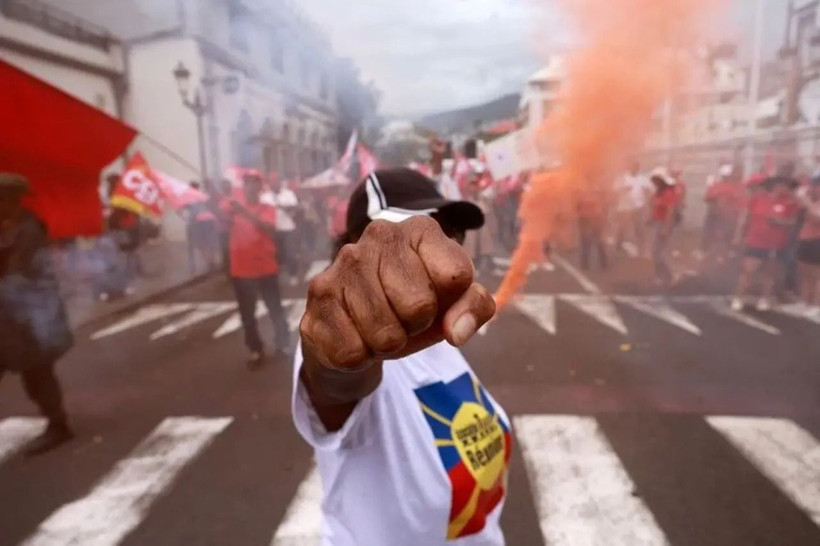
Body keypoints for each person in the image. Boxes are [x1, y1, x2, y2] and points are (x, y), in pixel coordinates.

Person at [293, 168, 508, 546]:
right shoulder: (357, 341)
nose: (446, 248)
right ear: (356, 248)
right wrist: (333, 350)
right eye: (413, 232)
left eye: (451, 233)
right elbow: (334, 378)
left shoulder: (439, 334)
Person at [0, 174, 74, 455]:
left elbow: (16, 277)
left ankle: (59, 426)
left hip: (30, 319)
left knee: (37, 375)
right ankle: (58, 423)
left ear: (8, 200)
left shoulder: (28, 230)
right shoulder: (8, 227)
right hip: (9, 318)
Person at [223, 173, 291, 368]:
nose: (250, 188)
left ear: (260, 189)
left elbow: (268, 229)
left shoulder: (267, 208)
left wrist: (243, 212)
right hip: (241, 270)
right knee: (247, 314)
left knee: (274, 307)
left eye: (254, 185)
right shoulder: (233, 210)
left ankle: (283, 342)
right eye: (247, 185)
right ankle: (255, 348)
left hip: (265, 267)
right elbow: (220, 222)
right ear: (243, 189)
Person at [731, 175, 800, 311]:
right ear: (774, 186)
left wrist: (779, 222)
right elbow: (745, 217)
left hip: (775, 243)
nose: (783, 189)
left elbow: (793, 222)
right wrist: (738, 235)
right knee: (748, 270)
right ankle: (739, 297)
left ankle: (764, 298)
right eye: (781, 185)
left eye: (786, 186)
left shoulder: (790, 203)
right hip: (755, 241)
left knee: (769, 272)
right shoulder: (758, 199)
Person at [614, 162, 652, 256]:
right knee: (622, 228)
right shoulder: (622, 178)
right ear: (629, 168)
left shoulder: (642, 178)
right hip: (624, 208)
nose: (634, 169)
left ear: (638, 168)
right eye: (632, 167)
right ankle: (618, 245)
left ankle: (641, 249)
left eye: (636, 168)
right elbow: (614, 190)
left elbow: (650, 189)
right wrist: (623, 189)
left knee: (639, 228)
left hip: (638, 207)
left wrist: (647, 199)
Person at [649, 167, 679, 287]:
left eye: (657, 180)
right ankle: (660, 277)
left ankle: (670, 276)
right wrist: (651, 219)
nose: (654, 183)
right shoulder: (658, 193)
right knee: (655, 252)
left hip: (664, 224)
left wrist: (665, 227)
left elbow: (670, 211)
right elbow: (656, 208)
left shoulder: (668, 193)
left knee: (659, 253)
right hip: (658, 223)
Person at [796, 175, 820, 316]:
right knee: (805, 273)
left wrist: (806, 201)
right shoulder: (812, 201)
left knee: (817, 275)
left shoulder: (812, 203)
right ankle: (804, 301)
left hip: (817, 240)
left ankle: (817, 305)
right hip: (806, 239)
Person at [576, 181, 609, 271]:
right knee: (589, 242)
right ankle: (589, 264)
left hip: (594, 217)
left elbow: (604, 203)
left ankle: (601, 263)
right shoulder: (583, 189)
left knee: (595, 241)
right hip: (587, 217)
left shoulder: (596, 189)